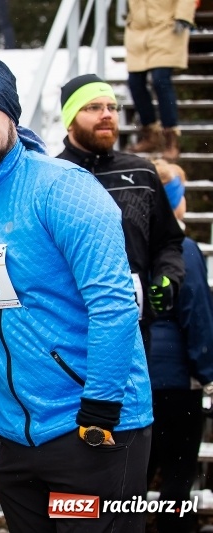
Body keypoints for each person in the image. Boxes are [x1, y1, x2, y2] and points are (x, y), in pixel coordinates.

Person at [0, 57, 153, 532]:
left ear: (11, 116)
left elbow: (114, 304)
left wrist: (101, 408)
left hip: (93, 429)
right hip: (17, 439)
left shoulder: (64, 189)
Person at [57, 73, 185, 353]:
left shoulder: (142, 171)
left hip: (134, 331)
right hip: (68, 333)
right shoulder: (51, 177)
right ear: (69, 118)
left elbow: (168, 241)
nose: (107, 115)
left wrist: (168, 276)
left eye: (112, 107)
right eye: (93, 107)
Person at [148, 158, 213, 533]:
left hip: (137, 378)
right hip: (175, 383)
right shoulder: (184, 249)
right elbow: (197, 315)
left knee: (135, 475)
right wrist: (206, 371)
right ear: (174, 201)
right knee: (177, 475)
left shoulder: (131, 243)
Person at [123, 0, 197, 160]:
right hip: (138, 32)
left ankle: (171, 139)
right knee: (134, 83)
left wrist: (183, 17)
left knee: (160, 80)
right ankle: (150, 133)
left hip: (166, 28)